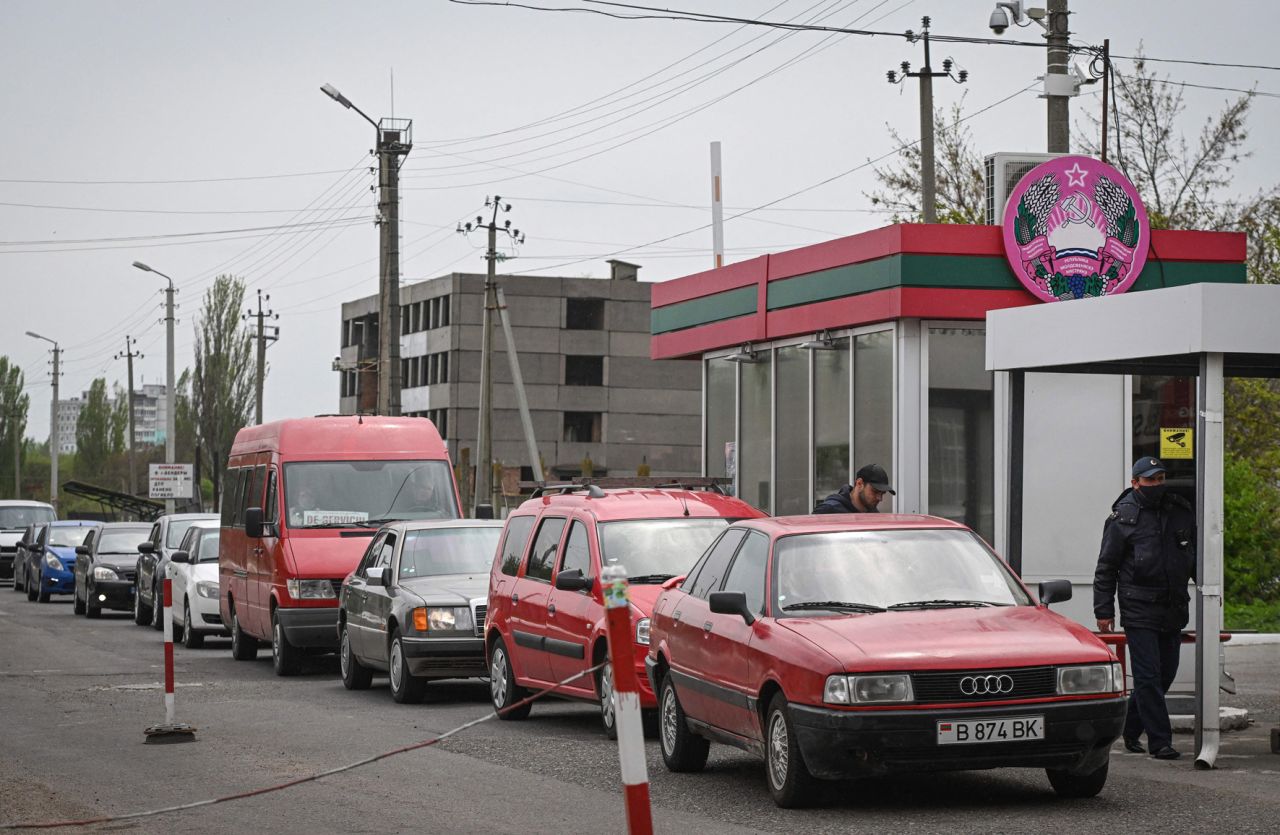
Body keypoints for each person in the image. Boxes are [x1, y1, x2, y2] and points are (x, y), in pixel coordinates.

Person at [1093, 456, 1196, 761]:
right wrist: (1104, 610)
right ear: (1135, 483)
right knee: (1148, 676)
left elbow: (1193, 555)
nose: (1157, 485)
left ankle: (1130, 726)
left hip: (1173, 606)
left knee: (1165, 675)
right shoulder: (1122, 518)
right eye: (1150, 480)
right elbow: (1106, 568)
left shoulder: (1178, 510)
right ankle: (1160, 742)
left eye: (1160, 479)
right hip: (1138, 606)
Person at [813, 464, 895, 513]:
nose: (880, 498)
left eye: (882, 493)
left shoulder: (874, 514)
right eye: (875, 491)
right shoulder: (829, 510)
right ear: (859, 484)